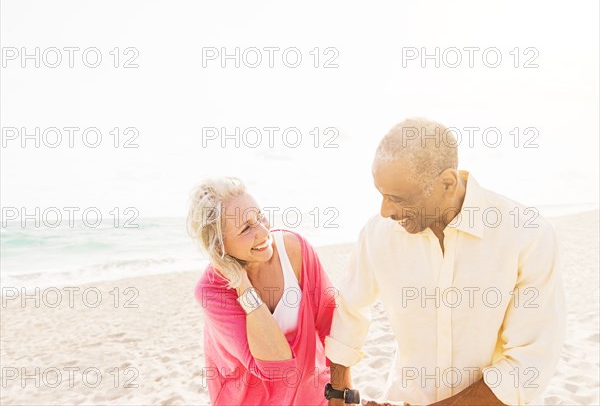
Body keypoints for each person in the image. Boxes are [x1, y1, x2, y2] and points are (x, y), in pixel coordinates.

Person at [325, 118, 565, 406]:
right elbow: (350, 309)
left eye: (397, 198)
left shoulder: (527, 233)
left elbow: (529, 364)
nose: (385, 210)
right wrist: (338, 393)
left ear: (447, 183)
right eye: (381, 194)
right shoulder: (377, 234)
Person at [187, 177, 336, 405]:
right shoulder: (212, 289)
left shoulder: (294, 250)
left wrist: (341, 391)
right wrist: (242, 283)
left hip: (312, 395)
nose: (264, 231)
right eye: (246, 227)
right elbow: (276, 366)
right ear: (219, 245)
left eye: (260, 217)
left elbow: (330, 323)